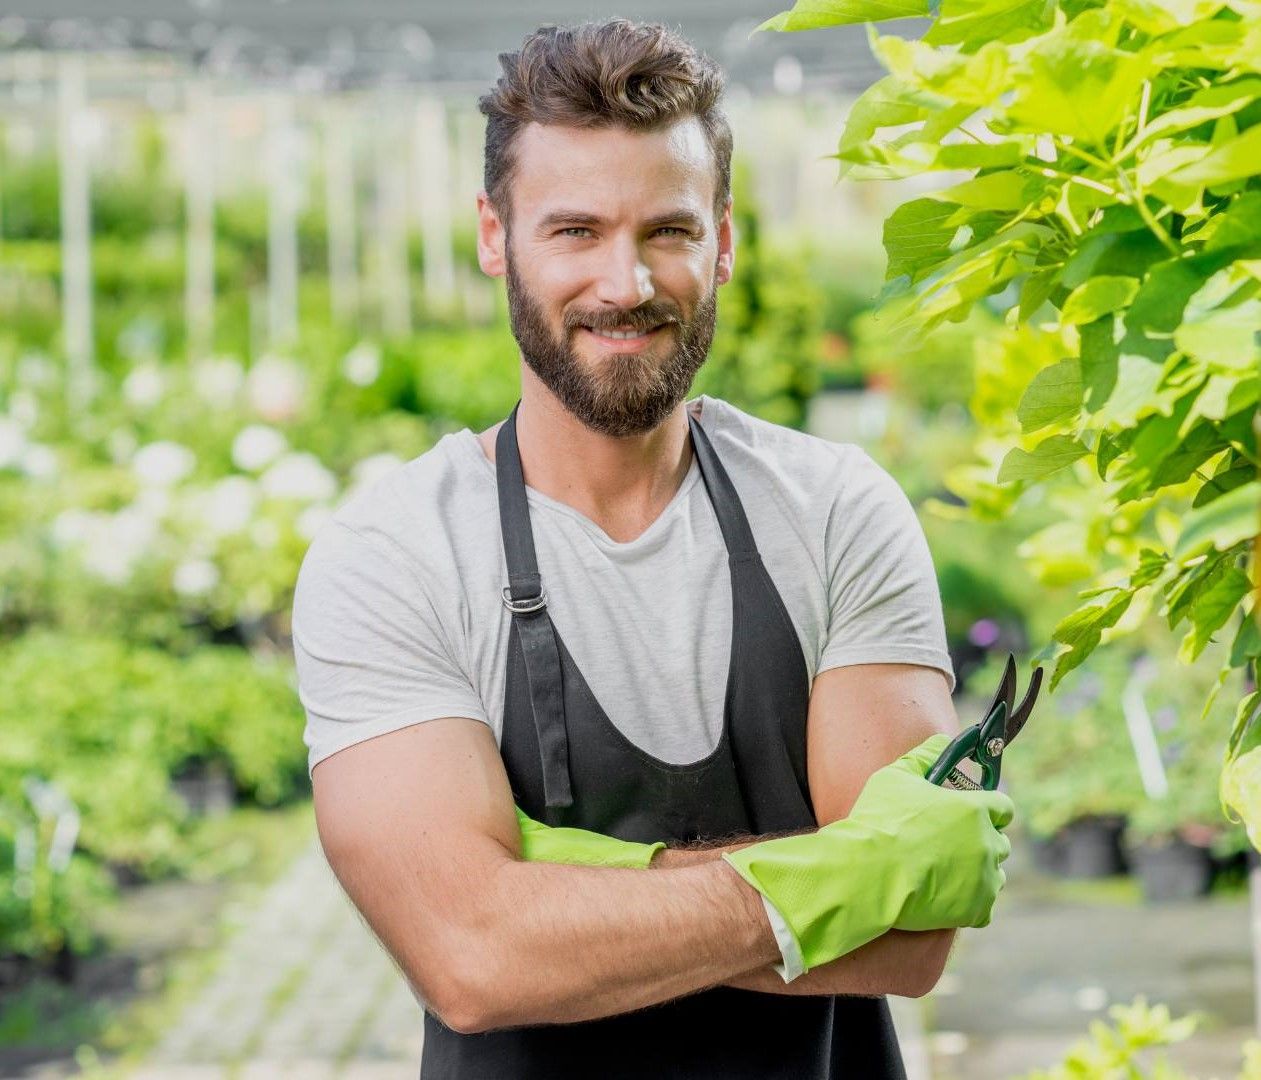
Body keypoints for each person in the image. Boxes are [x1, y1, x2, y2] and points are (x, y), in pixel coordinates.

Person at [292, 18, 1015, 1079]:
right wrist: (851, 868)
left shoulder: (832, 508)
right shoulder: (392, 553)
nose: (623, 283)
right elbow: (474, 957)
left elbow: (911, 938)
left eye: (667, 232)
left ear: (723, 240)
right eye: (573, 231)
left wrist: (558, 885)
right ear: (495, 237)